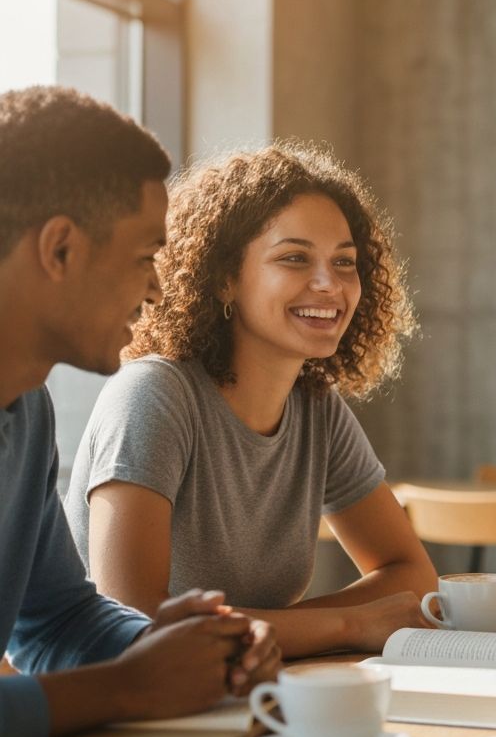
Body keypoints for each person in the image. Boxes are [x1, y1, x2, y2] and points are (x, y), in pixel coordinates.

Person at [65, 144, 437, 659]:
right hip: (121, 707)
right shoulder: (154, 395)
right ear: (224, 278)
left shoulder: (317, 409)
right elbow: (132, 619)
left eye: (345, 263)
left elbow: (412, 577)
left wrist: (271, 632)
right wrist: (346, 625)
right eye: (294, 258)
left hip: (240, 688)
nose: (330, 284)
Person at [0, 85, 279, 737]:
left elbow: (57, 618)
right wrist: (126, 688)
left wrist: (169, 643)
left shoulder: (27, 408)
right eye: (143, 256)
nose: (157, 288)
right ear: (60, 249)